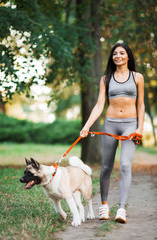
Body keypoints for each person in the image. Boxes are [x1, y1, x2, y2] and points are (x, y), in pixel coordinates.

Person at [80, 43, 145, 223]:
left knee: (125, 165)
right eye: (115, 53)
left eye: (122, 53)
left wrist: (140, 128)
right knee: (106, 167)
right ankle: (104, 206)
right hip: (110, 125)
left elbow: (140, 104)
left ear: (128, 56)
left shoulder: (138, 77)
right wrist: (87, 125)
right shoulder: (106, 79)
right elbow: (100, 105)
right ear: (112, 57)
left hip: (130, 126)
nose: (118, 56)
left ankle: (122, 209)